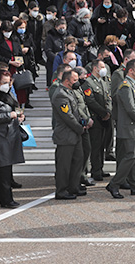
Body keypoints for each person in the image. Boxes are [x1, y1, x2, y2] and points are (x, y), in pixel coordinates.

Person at [106, 59, 135, 198]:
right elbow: (130, 108)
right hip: (129, 127)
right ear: (131, 70)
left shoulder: (133, 85)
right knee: (131, 156)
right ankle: (114, 184)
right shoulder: (125, 86)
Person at [0, 70, 25, 208]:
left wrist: (18, 117)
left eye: (9, 82)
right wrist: (9, 115)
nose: (7, 85)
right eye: (4, 82)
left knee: (3, 168)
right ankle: (6, 199)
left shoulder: (6, 95)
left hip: (8, 135)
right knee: (4, 170)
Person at [51, 69, 86, 200]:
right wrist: (79, 128)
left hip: (74, 134)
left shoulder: (69, 92)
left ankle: (73, 186)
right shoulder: (60, 94)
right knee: (64, 165)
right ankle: (61, 190)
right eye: (74, 80)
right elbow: (68, 117)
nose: (77, 82)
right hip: (66, 135)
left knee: (78, 161)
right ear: (67, 81)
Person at [82, 58, 112, 181]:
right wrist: (103, 113)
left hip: (105, 118)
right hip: (96, 118)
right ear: (95, 68)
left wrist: (108, 111)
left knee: (102, 146)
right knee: (96, 146)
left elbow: (108, 98)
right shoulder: (88, 82)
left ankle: (100, 167)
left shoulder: (103, 82)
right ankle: (95, 170)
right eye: (102, 67)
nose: (104, 69)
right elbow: (90, 101)